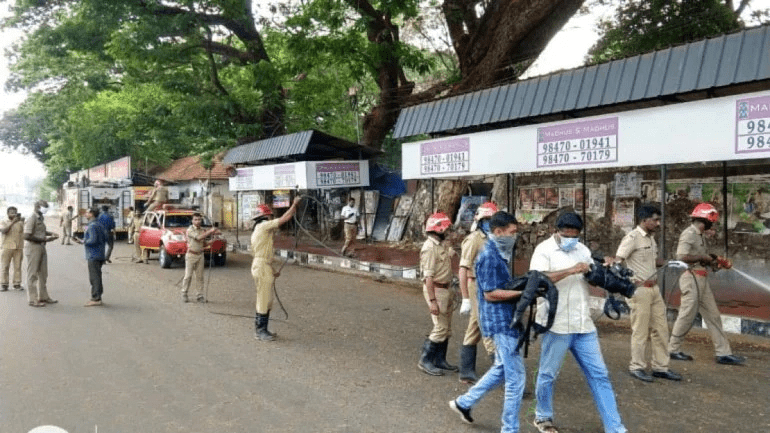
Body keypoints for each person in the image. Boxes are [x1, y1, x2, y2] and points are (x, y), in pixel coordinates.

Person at [530, 212, 626, 433]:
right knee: (547, 374)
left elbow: (593, 274)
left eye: (575, 234)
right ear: (557, 231)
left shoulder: (582, 250)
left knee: (600, 374)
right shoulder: (543, 250)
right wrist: (570, 270)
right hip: (557, 324)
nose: (571, 238)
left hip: (583, 324)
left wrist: (604, 268)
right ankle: (543, 417)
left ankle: (615, 426)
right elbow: (538, 279)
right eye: (566, 234)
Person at [449, 211, 525, 432]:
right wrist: (522, 294)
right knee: (516, 379)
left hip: (503, 319)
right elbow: (490, 294)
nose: (515, 236)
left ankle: (464, 403)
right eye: (512, 232)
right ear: (499, 232)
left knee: (502, 368)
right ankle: (509, 428)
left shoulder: (499, 253)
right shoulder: (489, 256)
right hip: (500, 322)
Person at [668, 203, 745, 365]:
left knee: (713, 316)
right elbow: (681, 257)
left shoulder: (700, 235)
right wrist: (704, 258)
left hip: (702, 278)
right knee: (686, 315)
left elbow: (702, 258)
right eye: (712, 220)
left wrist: (716, 263)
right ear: (705, 219)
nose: (713, 224)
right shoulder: (689, 234)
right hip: (691, 278)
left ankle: (723, 353)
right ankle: (672, 350)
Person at [613, 204, 682, 383]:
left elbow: (652, 261)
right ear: (644, 220)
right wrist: (623, 283)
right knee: (640, 331)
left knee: (661, 329)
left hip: (654, 289)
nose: (658, 223)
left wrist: (670, 263)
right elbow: (618, 261)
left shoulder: (651, 239)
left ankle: (661, 367)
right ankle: (637, 366)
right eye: (655, 220)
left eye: (658, 220)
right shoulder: (632, 238)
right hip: (639, 289)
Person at [458, 201, 499, 384]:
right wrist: (465, 297)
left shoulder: (491, 239)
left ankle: (466, 371)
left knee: (474, 326)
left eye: (492, 219)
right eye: (487, 219)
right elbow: (463, 268)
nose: (490, 223)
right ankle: (504, 372)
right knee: (487, 326)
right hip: (477, 286)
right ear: (480, 220)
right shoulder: (474, 239)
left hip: (488, 284)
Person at [251, 197, 301, 341]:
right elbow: (285, 218)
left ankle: (263, 329)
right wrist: (294, 205)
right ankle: (260, 331)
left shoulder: (260, 230)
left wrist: (273, 271)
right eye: (270, 216)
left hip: (263, 265)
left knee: (267, 300)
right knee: (263, 299)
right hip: (261, 266)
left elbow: (264, 255)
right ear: (266, 217)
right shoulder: (263, 225)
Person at [417, 211, 458, 376]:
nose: (448, 232)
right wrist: (432, 300)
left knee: (446, 328)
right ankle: (425, 360)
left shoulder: (440, 245)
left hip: (445, 289)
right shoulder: (429, 248)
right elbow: (428, 277)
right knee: (440, 327)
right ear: (438, 229)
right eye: (446, 229)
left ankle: (440, 360)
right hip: (436, 289)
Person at [23, 200, 59, 307]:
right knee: (32, 274)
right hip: (33, 247)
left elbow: (40, 231)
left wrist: (50, 234)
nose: (46, 209)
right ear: (38, 206)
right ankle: (33, 299)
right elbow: (27, 236)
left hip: (41, 246)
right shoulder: (32, 218)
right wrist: (45, 239)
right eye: (45, 207)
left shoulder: (40, 218)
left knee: (43, 273)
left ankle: (43, 296)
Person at [181, 213, 220, 303]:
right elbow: (198, 238)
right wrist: (210, 231)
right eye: (196, 219)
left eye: (199, 219)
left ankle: (200, 295)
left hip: (200, 255)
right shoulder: (190, 230)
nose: (198, 221)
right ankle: (184, 293)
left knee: (200, 277)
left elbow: (204, 243)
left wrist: (213, 240)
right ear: (192, 221)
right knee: (188, 276)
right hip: (191, 255)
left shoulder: (202, 230)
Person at [74, 208, 108, 306]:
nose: (85, 214)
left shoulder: (92, 226)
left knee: (94, 277)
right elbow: (105, 238)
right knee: (97, 276)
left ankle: (96, 298)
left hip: (93, 254)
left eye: (87, 213)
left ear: (92, 214)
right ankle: (98, 296)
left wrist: (83, 242)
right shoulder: (99, 224)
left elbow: (92, 240)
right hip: (100, 253)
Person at [1, 206, 25, 291]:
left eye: (15, 212)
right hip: (7, 247)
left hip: (18, 247)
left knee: (18, 266)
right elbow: (4, 231)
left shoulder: (20, 222)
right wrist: (12, 223)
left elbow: (24, 233)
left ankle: (17, 284)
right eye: (11, 213)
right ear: (8, 213)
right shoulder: (3, 221)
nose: (14, 214)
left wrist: (21, 221)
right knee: (5, 266)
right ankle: (4, 284)